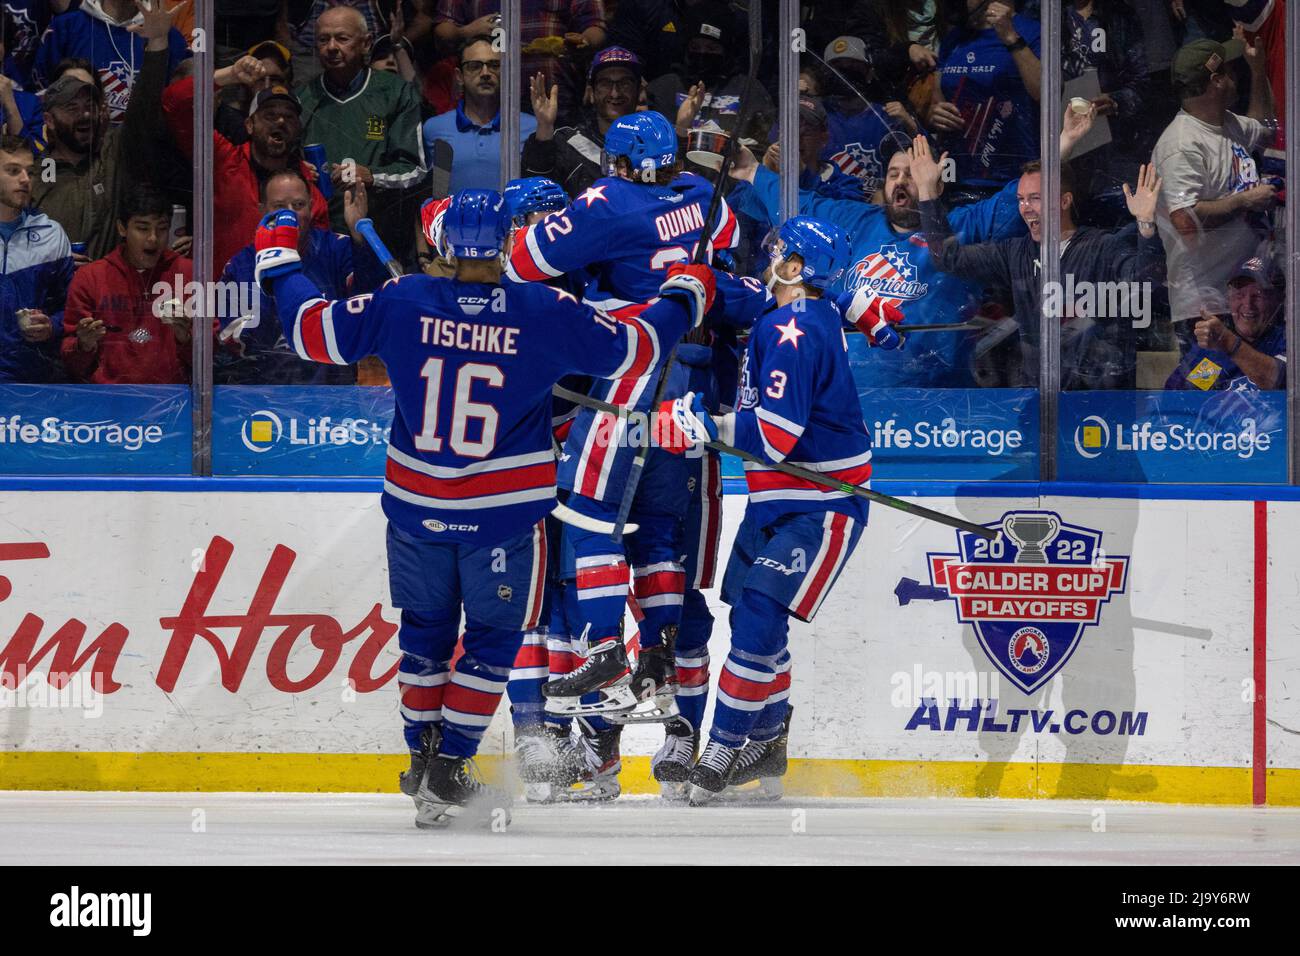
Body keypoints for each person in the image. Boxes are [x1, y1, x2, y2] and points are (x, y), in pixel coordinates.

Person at [253, 187, 714, 827]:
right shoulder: (543, 308)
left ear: (444, 244)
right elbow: (635, 349)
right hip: (501, 517)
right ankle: (452, 765)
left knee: (424, 641)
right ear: (504, 245)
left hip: (416, 510)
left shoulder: (403, 299)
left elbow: (310, 332)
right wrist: (683, 295)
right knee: (493, 645)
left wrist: (278, 256)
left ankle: (425, 758)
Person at [507, 110, 740, 800]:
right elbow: (720, 265)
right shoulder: (705, 198)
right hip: (680, 394)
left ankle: (597, 686)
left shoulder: (602, 209)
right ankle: (647, 712)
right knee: (660, 547)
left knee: (577, 552)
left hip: (618, 390)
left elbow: (524, 262)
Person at [658, 216, 873, 805]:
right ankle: (769, 736)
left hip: (821, 503)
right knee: (753, 619)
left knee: (756, 616)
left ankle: (726, 746)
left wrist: (709, 426)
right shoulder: (795, 316)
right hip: (775, 498)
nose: (767, 255)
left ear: (796, 267)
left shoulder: (790, 328)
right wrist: (866, 309)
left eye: (778, 251)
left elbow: (775, 435)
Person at [727, 132, 1025, 388]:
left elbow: (1019, 201)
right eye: (894, 174)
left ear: (937, 180)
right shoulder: (855, 220)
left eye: (913, 174)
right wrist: (752, 169)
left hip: (935, 404)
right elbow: (799, 205)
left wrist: (1059, 147)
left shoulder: (964, 226)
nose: (901, 182)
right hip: (849, 396)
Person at [917, 135, 1167, 389]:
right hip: (1040, 403)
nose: (1025, 208)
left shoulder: (1102, 247)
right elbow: (946, 258)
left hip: (1098, 401)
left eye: (1035, 198)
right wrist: (927, 194)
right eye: (1020, 199)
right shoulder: (1015, 253)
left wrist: (1146, 224)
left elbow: (1146, 281)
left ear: (1064, 201)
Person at [216, 168, 385, 385]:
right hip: (264, 397)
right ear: (262, 210)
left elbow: (370, 305)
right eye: (279, 207)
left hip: (334, 395)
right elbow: (235, 346)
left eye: (298, 205)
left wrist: (360, 237)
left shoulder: (338, 248)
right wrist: (275, 268)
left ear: (312, 207)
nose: (291, 215)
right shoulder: (239, 266)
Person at [32, 4, 174, 261]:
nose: (85, 114)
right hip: (49, 295)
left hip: (109, 294)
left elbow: (143, 109)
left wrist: (157, 42)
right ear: (49, 119)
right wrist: (48, 260)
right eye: (72, 107)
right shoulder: (35, 172)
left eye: (90, 104)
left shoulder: (115, 153)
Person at [1151, 34, 1277, 323]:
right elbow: (1184, 219)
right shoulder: (1181, 144)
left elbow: (1262, 128)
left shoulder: (1227, 123)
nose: (1236, 77)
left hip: (1243, 297)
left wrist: (1258, 71)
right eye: (1231, 71)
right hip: (1207, 307)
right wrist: (1245, 200)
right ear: (1218, 81)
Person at [163, 61, 331, 277]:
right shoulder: (222, 161)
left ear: (298, 129)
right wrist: (228, 75)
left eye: (289, 117)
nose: (280, 121)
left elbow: (320, 263)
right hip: (226, 302)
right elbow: (174, 103)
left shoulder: (310, 194)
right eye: (269, 115)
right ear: (249, 125)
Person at [296, 4, 425, 259]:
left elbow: (415, 170)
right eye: (323, 39)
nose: (332, 47)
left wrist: (371, 176)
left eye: (342, 38)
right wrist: (299, 171)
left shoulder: (395, 92)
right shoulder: (301, 98)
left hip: (381, 238)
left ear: (366, 43)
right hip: (318, 242)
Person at [61, 184, 196, 383]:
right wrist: (84, 345)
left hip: (172, 399)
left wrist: (187, 339)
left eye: (162, 228)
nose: (153, 238)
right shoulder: (90, 277)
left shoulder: (190, 274)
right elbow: (70, 362)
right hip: (109, 399)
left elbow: (212, 358)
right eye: (142, 228)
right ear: (122, 228)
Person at [930, 0, 1042, 196]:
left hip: (1010, 179)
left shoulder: (1033, 31)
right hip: (956, 175)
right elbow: (937, 99)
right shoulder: (953, 39)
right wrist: (936, 114)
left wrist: (1010, 37)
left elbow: (1046, 92)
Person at [432, 0, 607, 124]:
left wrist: (584, 40)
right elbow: (443, 28)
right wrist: (467, 31)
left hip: (555, 97)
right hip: (488, 102)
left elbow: (595, 25)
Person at [34, 0, 192, 124]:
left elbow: (180, 107)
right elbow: (42, 96)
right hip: (79, 152)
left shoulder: (169, 37)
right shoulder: (66, 28)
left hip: (143, 153)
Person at [0, 135, 75, 384]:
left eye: (30, 172)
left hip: (32, 381)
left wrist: (51, 326)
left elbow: (73, 308)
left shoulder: (50, 233)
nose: (25, 180)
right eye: (13, 171)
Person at [521, 45, 642, 198]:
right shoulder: (567, 144)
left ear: (639, 91)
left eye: (625, 83)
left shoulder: (659, 143)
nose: (615, 93)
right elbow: (535, 194)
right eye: (605, 84)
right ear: (590, 93)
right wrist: (545, 127)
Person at [421, 38, 537, 192]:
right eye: (474, 66)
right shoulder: (434, 129)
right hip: (454, 216)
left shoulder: (530, 127)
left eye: (494, 65)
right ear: (459, 76)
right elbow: (437, 195)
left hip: (510, 216)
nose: (485, 73)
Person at [1165, 253, 1285, 392]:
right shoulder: (1214, 352)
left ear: (1278, 300)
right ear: (1229, 299)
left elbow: (1283, 382)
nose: (1248, 305)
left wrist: (1229, 343)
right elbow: (1180, 399)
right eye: (1239, 295)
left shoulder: (1287, 340)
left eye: (1258, 295)